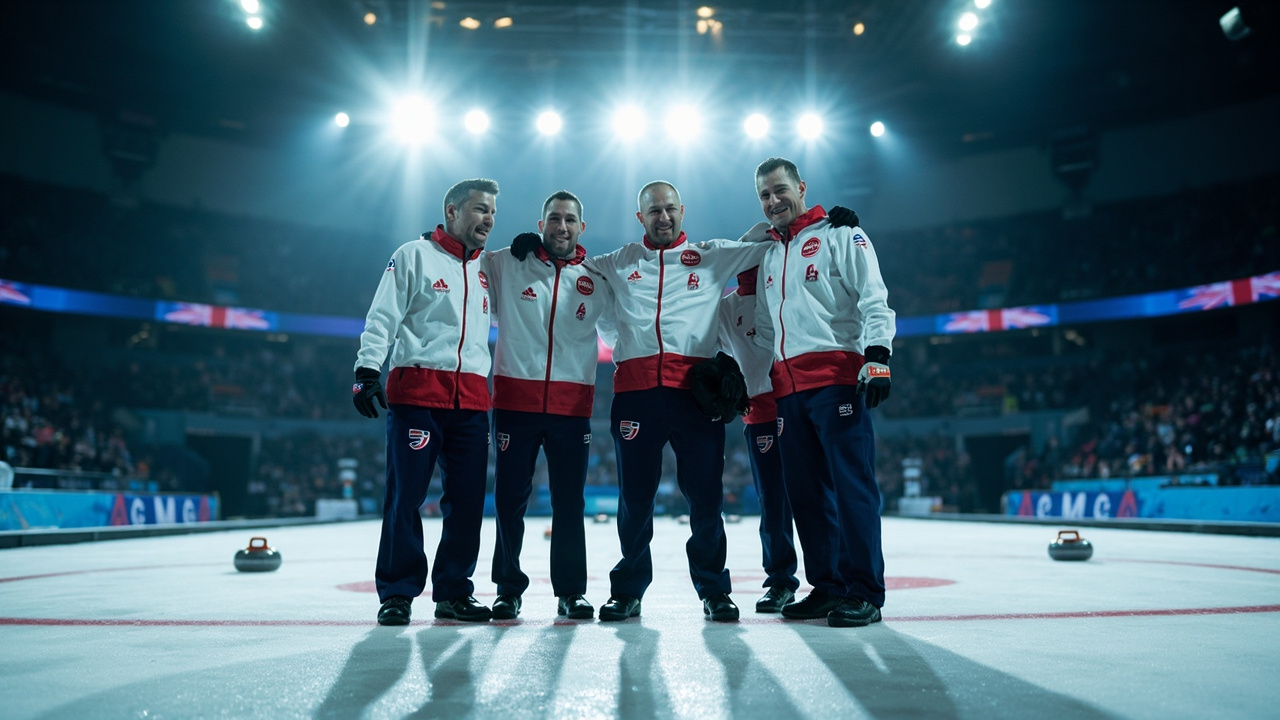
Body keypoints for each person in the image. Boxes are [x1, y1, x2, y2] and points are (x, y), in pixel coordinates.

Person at [585, 180, 773, 623]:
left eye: (670, 209)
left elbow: (768, 238)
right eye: (654, 211)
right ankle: (628, 591)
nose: (663, 217)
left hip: (696, 398)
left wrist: (824, 226)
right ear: (640, 218)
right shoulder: (618, 262)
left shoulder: (713, 255)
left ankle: (715, 590)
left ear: (682, 211)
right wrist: (532, 251)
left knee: (706, 498)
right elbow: (571, 266)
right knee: (635, 499)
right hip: (635, 397)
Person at [752, 157, 895, 628]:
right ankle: (829, 587)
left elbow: (873, 295)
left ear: (801, 187)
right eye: (765, 196)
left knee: (852, 487)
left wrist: (878, 354)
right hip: (787, 390)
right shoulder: (771, 253)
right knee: (807, 494)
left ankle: (866, 592)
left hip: (837, 380)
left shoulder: (840, 234)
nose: (774, 201)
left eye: (780, 190)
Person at [351, 178, 499, 626]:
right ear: (452, 212)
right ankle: (397, 592)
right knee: (406, 497)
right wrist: (365, 371)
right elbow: (383, 316)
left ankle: (453, 592)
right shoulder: (412, 255)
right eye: (479, 209)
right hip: (417, 395)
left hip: (472, 400)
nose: (488, 219)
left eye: (492, 211)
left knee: (469, 503)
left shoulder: (490, 268)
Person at [483, 190, 615, 621]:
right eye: (554, 218)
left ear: (581, 228)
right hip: (515, 402)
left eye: (570, 220)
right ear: (540, 224)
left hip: (571, 406)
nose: (562, 226)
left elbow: (616, 336)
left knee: (570, 503)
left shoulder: (596, 278)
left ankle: (571, 591)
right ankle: (507, 589)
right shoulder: (506, 262)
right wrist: (436, 237)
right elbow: (461, 263)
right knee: (508, 500)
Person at [716, 266, 799, 613]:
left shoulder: (787, 290)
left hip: (799, 400)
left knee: (816, 492)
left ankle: (835, 579)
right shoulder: (725, 308)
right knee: (773, 500)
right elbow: (715, 354)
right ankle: (780, 581)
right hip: (760, 409)